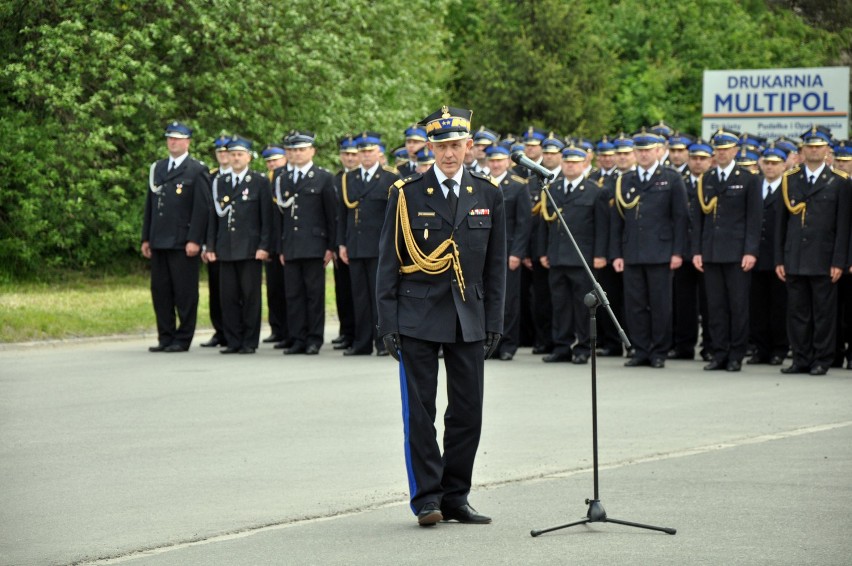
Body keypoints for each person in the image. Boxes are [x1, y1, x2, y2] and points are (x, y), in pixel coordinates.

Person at [376, 106, 506, 527]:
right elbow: (388, 261)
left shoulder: (488, 193)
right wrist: (388, 322)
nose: (449, 154)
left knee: (468, 412)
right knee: (420, 413)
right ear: (429, 148)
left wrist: (494, 321)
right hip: (417, 314)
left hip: (468, 314)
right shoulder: (407, 192)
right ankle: (427, 499)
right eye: (441, 146)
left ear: (469, 147)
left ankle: (456, 496)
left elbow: (495, 267)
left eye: (456, 146)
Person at [775, 126, 851, 375]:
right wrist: (779, 258)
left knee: (823, 313)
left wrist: (839, 260)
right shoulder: (790, 178)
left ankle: (822, 358)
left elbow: (843, 226)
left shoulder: (839, 182)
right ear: (803, 150)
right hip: (794, 257)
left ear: (828, 149)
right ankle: (800, 358)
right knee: (797, 312)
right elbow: (781, 225)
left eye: (819, 146)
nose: (814, 150)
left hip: (824, 258)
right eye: (810, 146)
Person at [610, 130, 688, 368]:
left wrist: (677, 252)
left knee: (660, 304)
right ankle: (640, 349)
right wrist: (616, 253)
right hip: (632, 251)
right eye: (640, 151)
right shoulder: (625, 179)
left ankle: (659, 351)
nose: (643, 155)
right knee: (635, 305)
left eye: (648, 150)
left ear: (658, 151)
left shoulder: (671, 178)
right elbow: (617, 222)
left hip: (661, 251)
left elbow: (681, 218)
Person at [692, 129, 762, 372]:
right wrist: (697, 251)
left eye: (726, 149)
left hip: (737, 253)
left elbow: (754, 219)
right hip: (711, 252)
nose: (722, 153)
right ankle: (719, 353)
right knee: (715, 306)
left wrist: (750, 251)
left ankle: (736, 354)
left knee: (738, 305)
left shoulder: (749, 178)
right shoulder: (707, 178)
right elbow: (699, 219)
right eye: (718, 149)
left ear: (735, 151)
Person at [141, 121, 209, 352]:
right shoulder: (158, 168)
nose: (173, 142)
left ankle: (183, 338)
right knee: (161, 291)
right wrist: (146, 237)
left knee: (185, 292)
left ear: (188, 142)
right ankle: (165, 336)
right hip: (159, 239)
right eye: (170, 138)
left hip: (182, 241)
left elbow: (202, 209)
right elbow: (151, 205)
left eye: (178, 138)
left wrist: (195, 239)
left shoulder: (196, 170)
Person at [539, 144, 609, 363]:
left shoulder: (595, 190)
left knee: (583, 305)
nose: (570, 166)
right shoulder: (553, 188)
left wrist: (600, 254)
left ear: (584, 164)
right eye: (567, 162)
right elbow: (545, 224)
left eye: (575, 163)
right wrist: (544, 251)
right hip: (558, 256)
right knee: (560, 304)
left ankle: (582, 347)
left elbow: (602, 227)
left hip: (583, 258)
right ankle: (561, 346)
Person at [205, 136, 273, 354]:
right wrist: (211, 246)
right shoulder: (220, 182)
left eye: (239, 154)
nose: (235, 158)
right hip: (226, 248)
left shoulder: (259, 182)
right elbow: (213, 218)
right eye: (232, 154)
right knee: (228, 297)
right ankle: (233, 340)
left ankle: (249, 341)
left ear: (249, 157)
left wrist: (264, 246)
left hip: (250, 248)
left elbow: (266, 218)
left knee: (250, 297)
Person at [275, 131, 337, 355]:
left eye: (301, 149)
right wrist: (280, 246)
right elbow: (279, 217)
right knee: (293, 294)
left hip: (314, 245)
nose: (296, 154)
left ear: (312, 151)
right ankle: (297, 338)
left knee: (313, 294)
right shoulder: (282, 178)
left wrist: (331, 246)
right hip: (290, 245)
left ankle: (314, 339)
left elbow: (331, 215)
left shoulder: (323, 177)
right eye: (292, 150)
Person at [338, 131, 399, 356]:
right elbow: (343, 214)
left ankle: (383, 342)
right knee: (359, 297)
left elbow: (395, 216)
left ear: (379, 153)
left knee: (379, 296)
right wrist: (342, 244)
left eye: (369, 151)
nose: (365, 155)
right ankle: (361, 343)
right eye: (361, 151)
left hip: (379, 247)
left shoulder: (390, 177)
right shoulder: (349, 178)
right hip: (355, 245)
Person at [485, 143, 531, 361]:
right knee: (486, 298)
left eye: (499, 160)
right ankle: (489, 342)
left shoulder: (518, 186)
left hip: (508, 250)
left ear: (507, 162)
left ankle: (508, 344)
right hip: (483, 251)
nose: (495, 164)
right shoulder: (480, 182)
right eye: (492, 160)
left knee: (509, 300)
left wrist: (517, 253)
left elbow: (524, 223)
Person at [748, 143, 789, 366]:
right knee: (757, 305)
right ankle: (759, 348)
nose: (770, 168)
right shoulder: (755, 185)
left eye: (775, 164)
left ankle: (779, 348)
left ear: (784, 165)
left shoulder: (788, 187)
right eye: (767, 163)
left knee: (779, 305)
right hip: (756, 255)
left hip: (778, 256)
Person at [200, 134, 232, 348]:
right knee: (216, 289)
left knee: (233, 291)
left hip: (236, 243)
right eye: (219, 152)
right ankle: (219, 330)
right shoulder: (209, 177)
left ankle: (233, 331)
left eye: (226, 152)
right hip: (215, 242)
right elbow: (205, 213)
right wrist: (206, 244)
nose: (222, 155)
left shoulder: (246, 178)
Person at [330, 135, 360, 351]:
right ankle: (346, 331)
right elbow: (334, 215)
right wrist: (336, 244)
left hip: (360, 243)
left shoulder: (362, 178)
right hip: (342, 242)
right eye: (346, 154)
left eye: (353, 154)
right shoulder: (336, 179)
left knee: (358, 292)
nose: (350, 158)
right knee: (343, 291)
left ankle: (360, 332)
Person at [261, 144, 289, 347]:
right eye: (269, 161)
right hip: (271, 241)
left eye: (275, 160)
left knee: (287, 289)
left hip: (286, 241)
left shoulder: (285, 178)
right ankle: (276, 328)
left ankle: (288, 330)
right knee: (273, 289)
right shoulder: (266, 180)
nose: (272, 164)